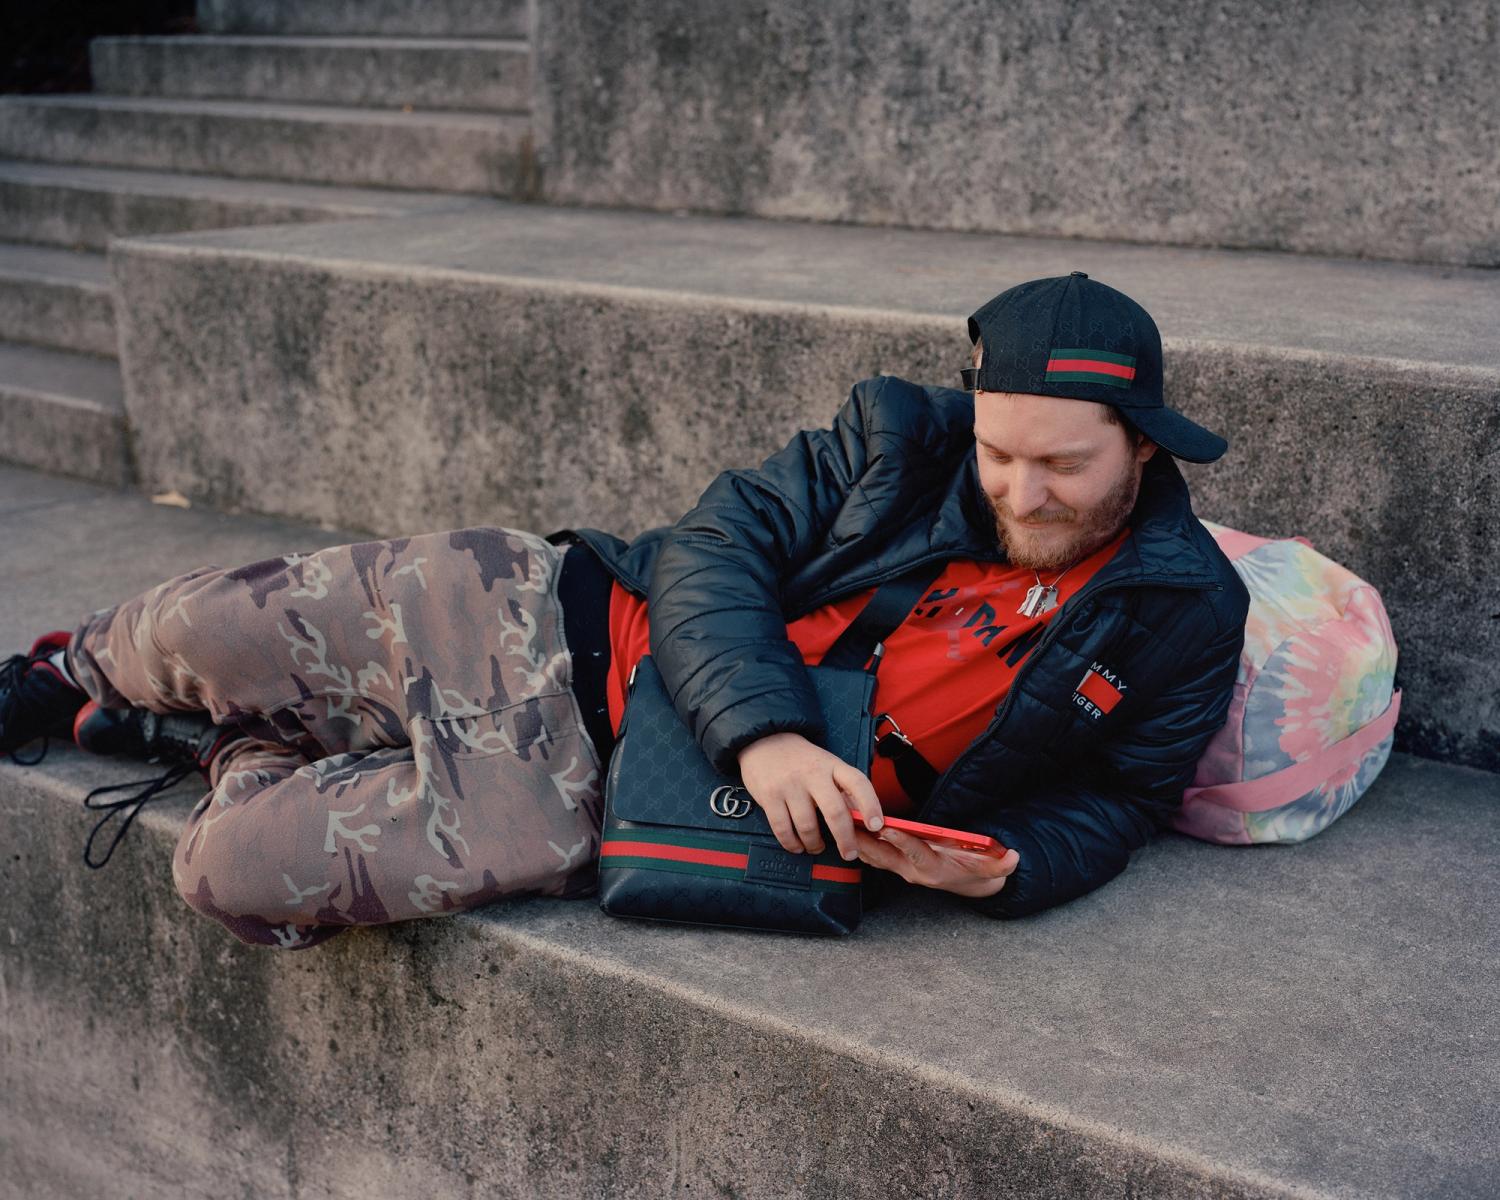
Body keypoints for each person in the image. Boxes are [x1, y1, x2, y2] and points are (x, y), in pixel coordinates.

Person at [0, 273, 1248, 948]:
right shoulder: (898, 439)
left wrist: (1012, 869)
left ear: (1139, 446)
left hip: (590, 793)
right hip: (548, 618)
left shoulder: (1179, 609)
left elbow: (1129, 798)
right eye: (1000, 455)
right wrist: (767, 732)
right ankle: (75, 681)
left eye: (1062, 467)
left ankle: (228, 747)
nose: (1019, 492)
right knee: (181, 633)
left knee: (222, 870)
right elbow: (713, 549)